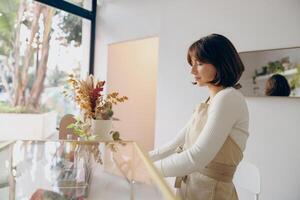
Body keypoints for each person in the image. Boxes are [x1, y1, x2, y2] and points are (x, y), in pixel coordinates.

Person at [149, 34, 249, 200]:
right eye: (192, 63)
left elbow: (196, 157)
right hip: (193, 186)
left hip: (211, 193)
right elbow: (176, 143)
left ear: (221, 63)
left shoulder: (228, 98)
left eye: (200, 63)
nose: (192, 70)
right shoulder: (212, 100)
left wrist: (149, 169)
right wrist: (144, 158)